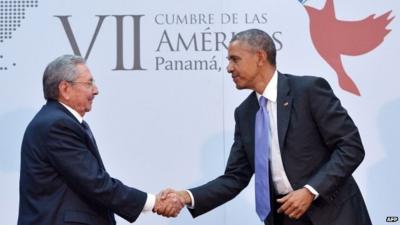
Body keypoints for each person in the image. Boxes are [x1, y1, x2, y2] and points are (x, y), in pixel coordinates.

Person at [157, 29, 372, 225]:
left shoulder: (308, 91)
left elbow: (351, 147)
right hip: (286, 220)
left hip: (336, 216)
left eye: (235, 59)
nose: (229, 68)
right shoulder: (245, 113)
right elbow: (235, 177)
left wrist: (310, 190)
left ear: (260, 57)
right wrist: (185, 196)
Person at [18, 55, 184, 225]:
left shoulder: (61, 121)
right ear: (65, 89)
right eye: (88, 83)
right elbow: (95, 182)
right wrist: (153, 202)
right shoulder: (57, 125)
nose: (96, 90)